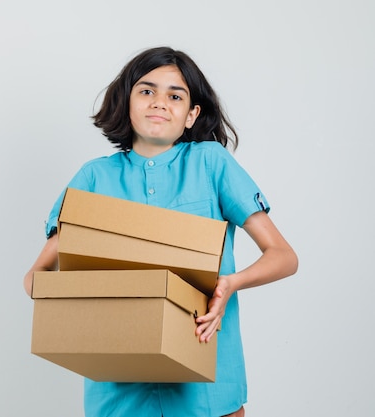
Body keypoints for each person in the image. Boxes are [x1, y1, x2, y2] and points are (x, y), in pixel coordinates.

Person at [23, 46, 298, 417]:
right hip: (119, 398)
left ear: (191, 115)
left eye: (175, 95)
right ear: (127, 103)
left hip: (208, 392)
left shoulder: (210, 164)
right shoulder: (93, 178)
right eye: (147, 91)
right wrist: (85, 298)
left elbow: (283, 257)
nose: (160, 103)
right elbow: (36, 280)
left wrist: (228, 284)